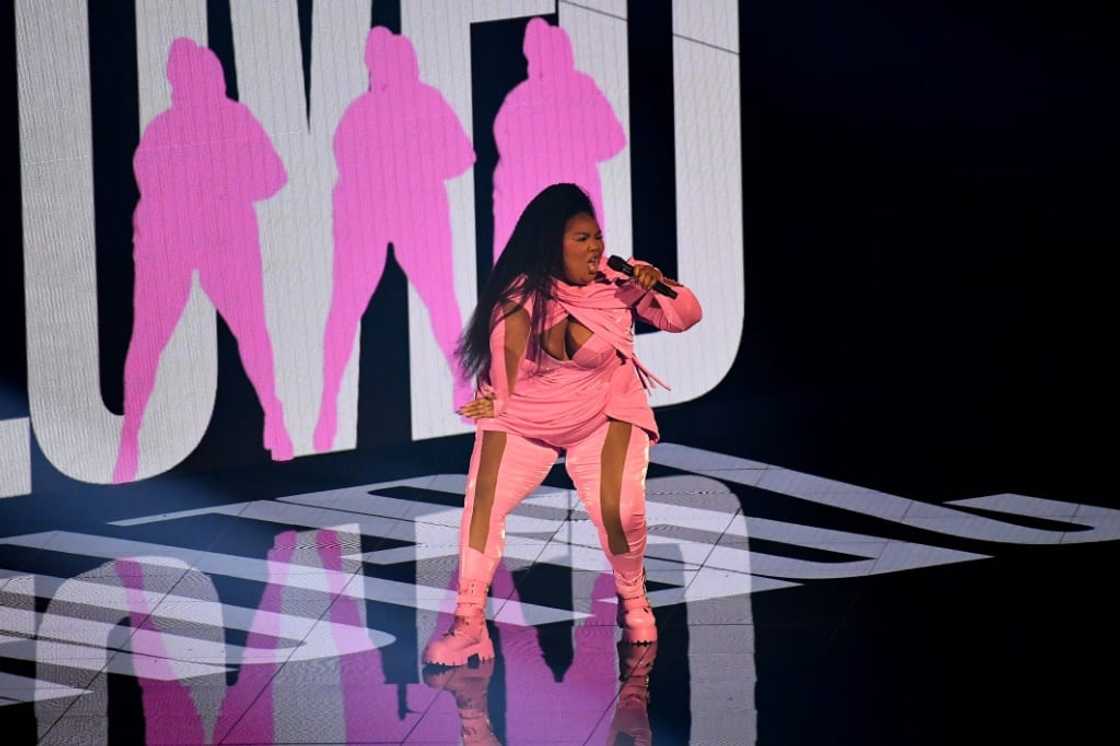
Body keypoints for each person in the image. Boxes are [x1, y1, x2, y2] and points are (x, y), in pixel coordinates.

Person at [422, 183, 702, 666]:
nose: (594, 247)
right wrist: (499, 402)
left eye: (596, 236)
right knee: (482, 503)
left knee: (621, 513)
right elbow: (505, 353)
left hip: (602, 412)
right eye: (580, 238)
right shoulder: (518, 297)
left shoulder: (617, 282)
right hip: (525, 417)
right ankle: (469, 624)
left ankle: (633, 600)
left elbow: (685, 317)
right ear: (551, 243)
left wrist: (656, 283)